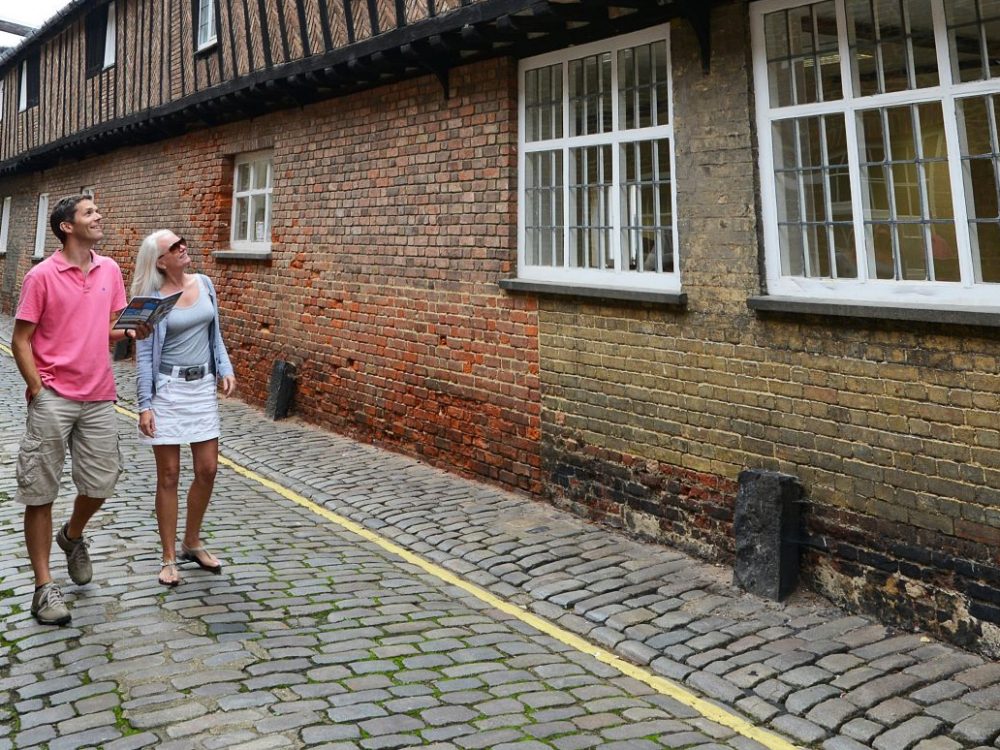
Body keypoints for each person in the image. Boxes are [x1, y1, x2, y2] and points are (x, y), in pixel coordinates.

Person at [12, 195, 150, 626]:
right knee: (40, 490)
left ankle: (72, 536)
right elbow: (21, 340)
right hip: (54, 395)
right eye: (89, 213)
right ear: (66, 226)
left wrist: (135, 327)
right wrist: (37, 386)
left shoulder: (109, 269)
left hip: (99, 394)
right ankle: (43, 587)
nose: (99, 216)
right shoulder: (41, 276)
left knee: (102, 483)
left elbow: (111, 328)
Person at [132, 230, 236, 587]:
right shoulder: (149, 299)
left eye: (182, 243)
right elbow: (143, 356)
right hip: (168, 390)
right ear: (160, 260)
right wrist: (144, 405)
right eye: (174, 247)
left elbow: (215, 333)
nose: (183, 248)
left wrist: (225, 368)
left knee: (207, 469)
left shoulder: (204, 283)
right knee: (170, 475)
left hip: (201, 388)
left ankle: (192, 541)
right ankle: (168, 557)